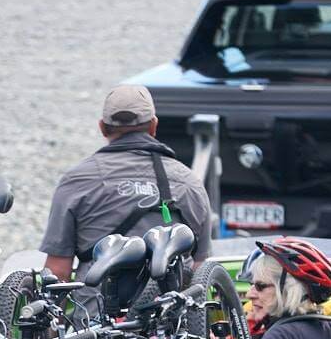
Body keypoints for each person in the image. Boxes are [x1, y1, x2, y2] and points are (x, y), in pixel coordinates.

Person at [40, 84, 213, 281]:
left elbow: (58, 270)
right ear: (154, 126)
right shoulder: (190, 182)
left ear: (103, 128)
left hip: (95, 307)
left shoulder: (77, 181)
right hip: (170, 308)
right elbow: (202, 270)